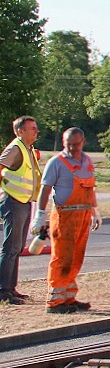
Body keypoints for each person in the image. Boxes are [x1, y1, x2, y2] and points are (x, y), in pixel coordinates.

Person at [34, 127, 101, 314]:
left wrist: (95, 212)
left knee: (75, 258)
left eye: (76, 145)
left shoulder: (87, 161)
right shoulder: (56, 163)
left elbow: (91, 189)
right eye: (68, 145)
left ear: (83, 142)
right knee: (62, 258)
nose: (72, 148)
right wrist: (40, 215)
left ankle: (68, 297)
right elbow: (45, 190)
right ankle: (54, 302)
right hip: (64, 217)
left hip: (83, 216)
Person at [0, 116, 42, 304]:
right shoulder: (15, 148)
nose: (36, 131)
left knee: (16, 248)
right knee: (10, 248)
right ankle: (3, 291)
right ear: (20, 131)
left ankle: (11, 288)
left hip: (23, 202)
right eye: (32, 128)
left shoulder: (27, 149)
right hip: (13, 201)